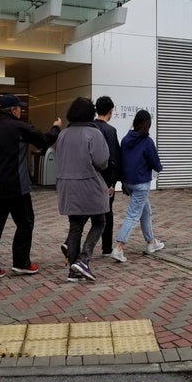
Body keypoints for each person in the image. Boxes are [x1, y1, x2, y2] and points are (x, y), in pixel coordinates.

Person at [0, 94, 62, 282]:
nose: (21, 111)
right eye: (19, 108)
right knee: (25, 223)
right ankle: (21, 263)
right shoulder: (20, 127)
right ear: (13, 110)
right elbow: (44, 140)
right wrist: (56, 127)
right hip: (18, 189)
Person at [54, 97, 110, 282]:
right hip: (89, 184)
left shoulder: (63, 134)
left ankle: (73, 271)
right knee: (99, 221)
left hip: (67, 186)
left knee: (75, 226)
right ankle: (84, 259)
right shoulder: (93, 133)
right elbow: (102, 162)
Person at [111, 109, 164, 263]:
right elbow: (155, 162)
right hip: (141, 184)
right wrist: (160, 167)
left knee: (146, 210)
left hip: (128, 183)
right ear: (148, 124)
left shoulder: (126, 139)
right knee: (133, 215)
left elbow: (122, 161)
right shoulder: (147, 142)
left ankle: (151, 242)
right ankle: (118, 248)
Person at [92, 96, 121, 256]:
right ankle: (106, 247)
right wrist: (112, 183)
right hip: (105, 179)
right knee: (107, 212)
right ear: (110, 111)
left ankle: (74, 243)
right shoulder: (110, 131)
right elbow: (114, 159)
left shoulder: (90, 127)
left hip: (89, 178)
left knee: (86, 213)